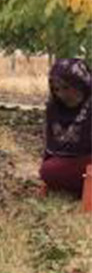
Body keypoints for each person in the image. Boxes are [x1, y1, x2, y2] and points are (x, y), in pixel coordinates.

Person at [39, 58, 92, 197]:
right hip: (72, 164)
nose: (62, 94)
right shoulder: (53, 108)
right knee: (49, 170)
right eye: (56, 89)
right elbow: (50, 147)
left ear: (80, 84)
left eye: (67, 87)